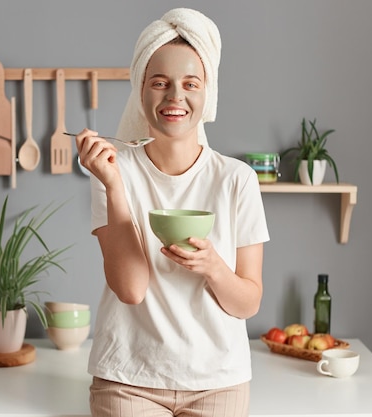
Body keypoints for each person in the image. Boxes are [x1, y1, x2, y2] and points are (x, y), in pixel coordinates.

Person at [74, 8, 269, 417]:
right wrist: (113, 184)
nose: (174, 97)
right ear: (140, 90)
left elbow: (248, 303)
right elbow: (130, 289)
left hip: (219, 381)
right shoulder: (113, 168)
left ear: (207, 93)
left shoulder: (238, 179)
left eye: (189, 84)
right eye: (159, 82)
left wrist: (214, 267)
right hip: (127, 378)